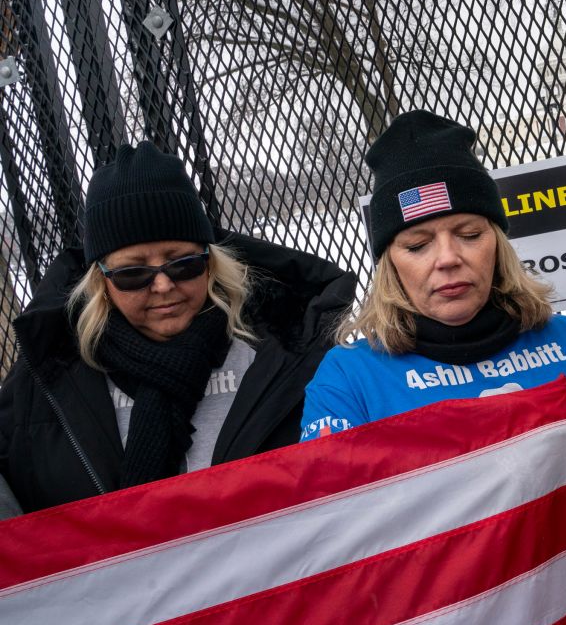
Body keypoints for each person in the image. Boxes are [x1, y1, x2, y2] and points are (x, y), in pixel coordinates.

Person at [298, 109, 566, 625]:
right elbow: (335, 549)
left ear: (498, 243)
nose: (448, 259)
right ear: (389, 262)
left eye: (468, 233)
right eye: (417, 245)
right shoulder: (349, 381)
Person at [0, 141, 356, 513]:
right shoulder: (46, 378)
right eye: (133, 273)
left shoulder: (286, 349)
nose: (163, 286)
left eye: (183, 264)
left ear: (211, 262)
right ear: (101, 281)